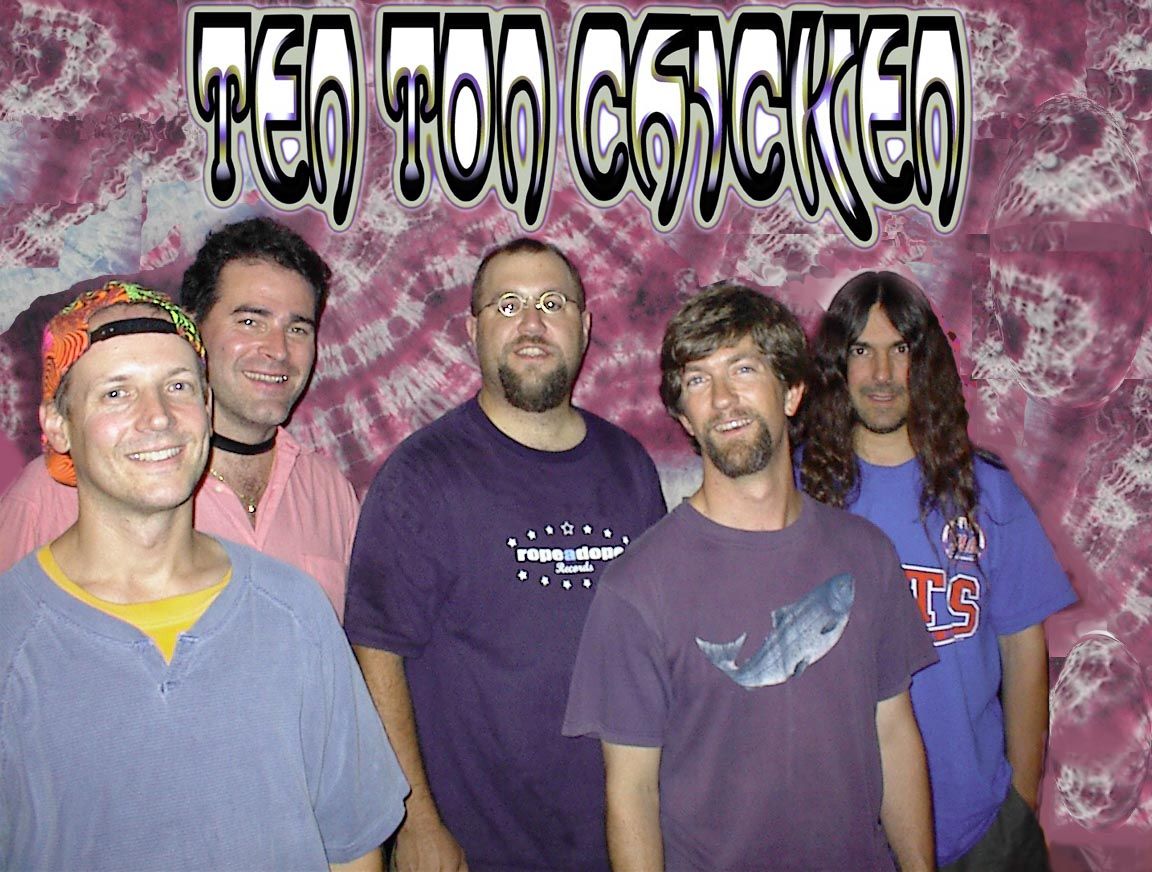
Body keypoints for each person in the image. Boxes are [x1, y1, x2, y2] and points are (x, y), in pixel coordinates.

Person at [0, 283, 407, 869]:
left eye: (178, 386)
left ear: (207, 407)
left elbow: (353, 847)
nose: (158, 417)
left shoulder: (295, 611)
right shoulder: (13, 634)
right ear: (58, 426)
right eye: (116, 392)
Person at [564, 282, 937, 871]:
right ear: (684, 417)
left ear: (791, 391)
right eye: (698, 380)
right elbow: (631, 791)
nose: (722, 399)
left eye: (743, 369)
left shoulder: (868, 555)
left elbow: (893, 731)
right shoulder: (635, 588)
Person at [344, 238, 666, 872]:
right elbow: (375, 653)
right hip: (475, 848)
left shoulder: (629, 466)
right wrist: (415, 821)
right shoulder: (421, 476)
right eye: (508, 305)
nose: (532, 324)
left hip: (618, 839)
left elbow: (657, 650)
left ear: (584, 326)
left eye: (552, 303)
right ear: (473, 331)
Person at [800, 271, 1077, 870]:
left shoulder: (985, 492)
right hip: (843, 832)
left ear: (924, 362)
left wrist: (1020, 806)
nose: (881, 374)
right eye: (861, 351)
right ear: (835, 365)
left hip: (978, 826)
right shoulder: (794, 494)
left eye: (900, 349)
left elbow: (1024, 655)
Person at [0, 217, 359, 617]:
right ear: (192, 326)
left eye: (297, 329)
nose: (277, 349)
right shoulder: (57, 491)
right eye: (250, 321)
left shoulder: (330, 492)